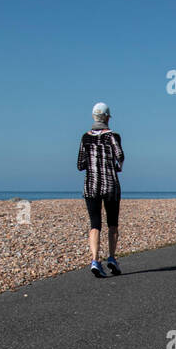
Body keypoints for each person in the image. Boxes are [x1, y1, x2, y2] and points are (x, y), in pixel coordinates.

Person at [77, 102, 124, 277]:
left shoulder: (85, 138)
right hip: (110, 185)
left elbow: (80, 164)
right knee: (113, 224)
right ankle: (112, 258)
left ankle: (95, 260)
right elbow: (120, 156)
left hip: (91, 186)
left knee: (95, 224)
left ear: (93, 117)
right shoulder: (113, 136)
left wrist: (93, 164)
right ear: (107, 118)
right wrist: (115, 167)